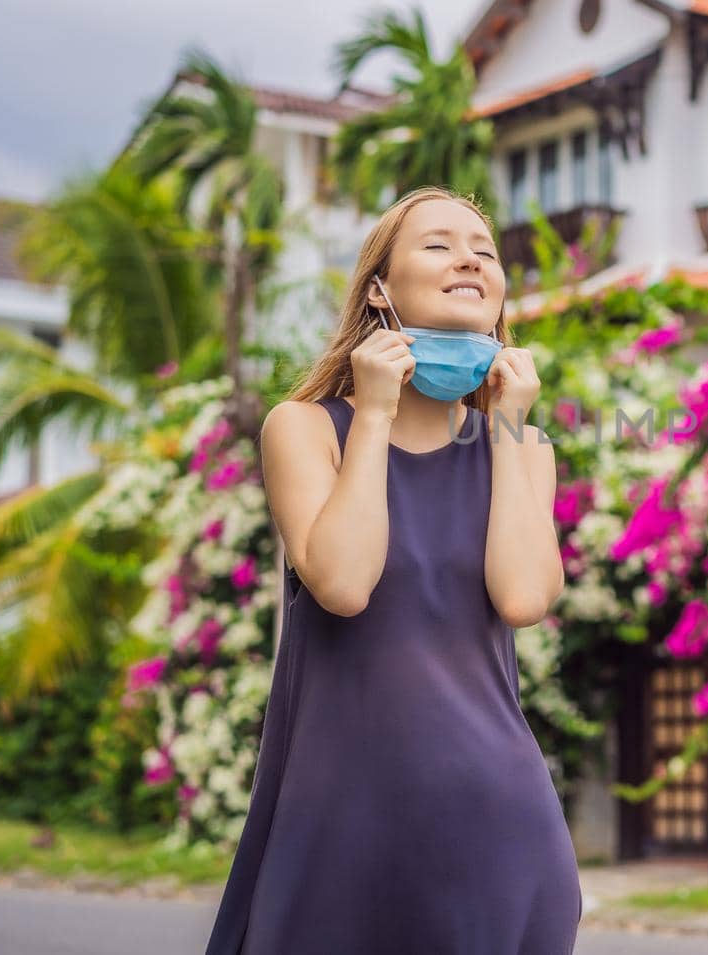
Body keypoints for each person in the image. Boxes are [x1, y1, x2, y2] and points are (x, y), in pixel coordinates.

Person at [202, 185, 581, 954]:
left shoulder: (522, 446)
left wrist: (508, 425)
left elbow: (523, 595)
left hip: (500, 825)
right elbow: (342, 583)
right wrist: (373, 412)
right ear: (379, 287)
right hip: (342, 825)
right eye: (438, 244)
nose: (469, 257)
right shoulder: (305, 427)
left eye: (484, 248)